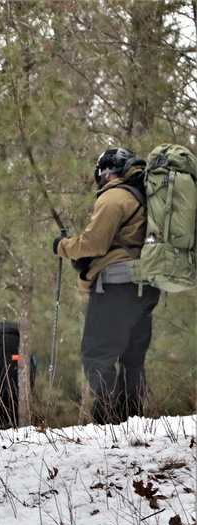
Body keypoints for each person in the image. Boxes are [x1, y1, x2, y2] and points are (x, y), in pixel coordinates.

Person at [54, 148, 160, 424]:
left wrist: (63, 246)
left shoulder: (114, 196)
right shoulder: (145, 197)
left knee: (97, 355)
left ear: (106, 172)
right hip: (145, 288)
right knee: (131, 360)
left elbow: (94, 242)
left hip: (117, 286)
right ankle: (132, 421)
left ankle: (110, 420)